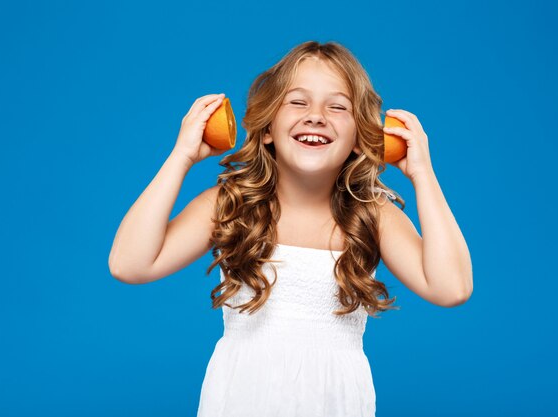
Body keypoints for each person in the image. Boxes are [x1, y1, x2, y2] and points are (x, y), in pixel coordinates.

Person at [108, 40, 473, 417]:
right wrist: (180, 157)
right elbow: (130, 264)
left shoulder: (373, 215)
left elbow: (452, 288)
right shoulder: (231, 204)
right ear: (267, 128)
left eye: (337, 106)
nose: (316, 115)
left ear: (359, 139)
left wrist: (423, 176)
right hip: (239, 400)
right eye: (297, 102)